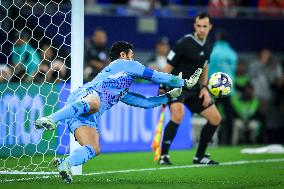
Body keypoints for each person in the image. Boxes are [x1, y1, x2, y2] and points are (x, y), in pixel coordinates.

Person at [35, 41, 203, 183]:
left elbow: (144, 102)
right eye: (131, 55)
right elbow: (156, 76)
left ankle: (66, 164)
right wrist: (184, 82)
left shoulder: (121, 89)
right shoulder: (124, 64)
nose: (134, 58)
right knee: (94, 103)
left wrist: (168, 97)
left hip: (87, 115)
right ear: (123, 55)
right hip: (86, 96)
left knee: (94, 148)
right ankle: (50, 119)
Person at [159, 12, 222, 165]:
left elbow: (205, 66)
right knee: (178, 114)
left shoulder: (209, 44)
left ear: (210, 27)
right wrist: (161, 87)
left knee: (215, 118)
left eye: (204, 26)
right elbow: (168, 67)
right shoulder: (184, 43)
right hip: (176, 85)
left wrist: (204, 88)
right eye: (198, 26)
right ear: (195, 26)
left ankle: (199, 156)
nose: (201, 29)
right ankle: (164, 156)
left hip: (194, 89)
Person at [209, 29, 238, 145]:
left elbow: (208, 69)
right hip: (227, 90)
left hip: (214, 89)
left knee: (212, 115)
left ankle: (212, 140)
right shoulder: (232, 54)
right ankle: (229, 141)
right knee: (229, 117)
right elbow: (233, 72)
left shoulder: (213, 52)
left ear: (218, 38)